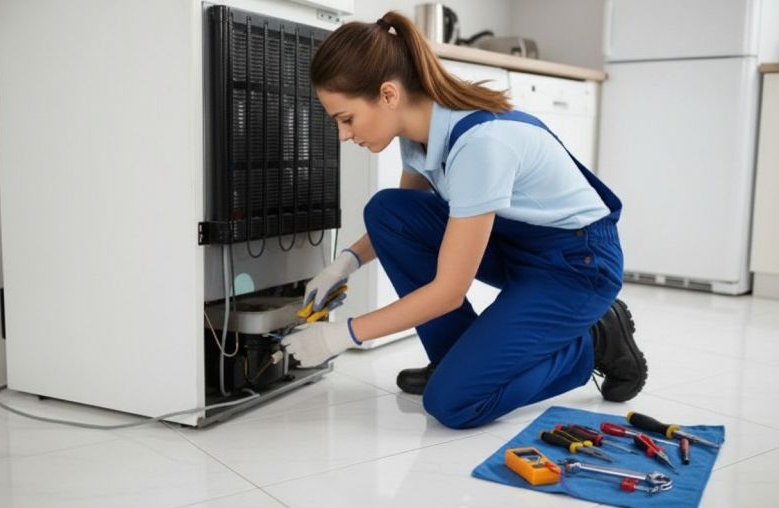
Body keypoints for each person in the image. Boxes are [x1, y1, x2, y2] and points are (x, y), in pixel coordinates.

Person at [277, 11, 647, 430]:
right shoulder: (422, 133)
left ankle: (593, 341)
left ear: (387, 94)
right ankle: (455, 359)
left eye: (346, 119)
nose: (344, 135)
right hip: (519, 246)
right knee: (389, 210)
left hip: (577, 266)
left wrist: (340, 335)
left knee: (453, 402)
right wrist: (345, 262)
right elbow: (400, 223)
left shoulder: (480, 145)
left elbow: (447, 292)